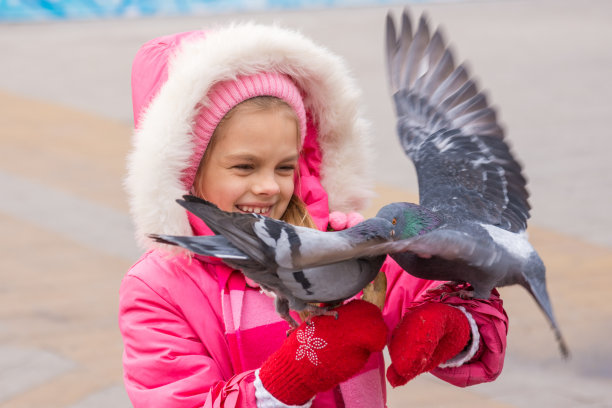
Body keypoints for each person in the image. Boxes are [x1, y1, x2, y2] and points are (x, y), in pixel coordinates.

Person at [119, 22, 508, 408]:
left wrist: (456, 326)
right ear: (186, 171)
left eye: (285, 167)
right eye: (244, 167)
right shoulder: (159, 290)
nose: (270, 186)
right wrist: (289, 378)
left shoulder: (345, 245)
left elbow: (447, 289)